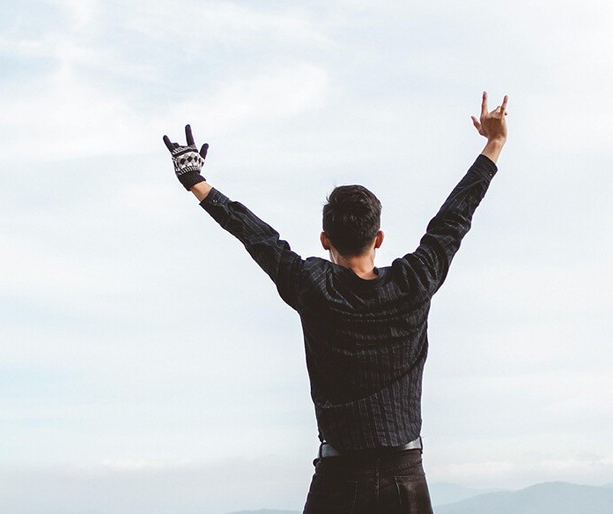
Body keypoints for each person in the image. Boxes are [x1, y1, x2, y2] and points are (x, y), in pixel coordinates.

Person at [165, 91, 509, 514]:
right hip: (406, 475)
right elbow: (453, 219)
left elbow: (258, 238)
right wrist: (493, 145)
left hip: (338, 479)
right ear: (378, 238)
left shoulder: (313, 286)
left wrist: (197, 182)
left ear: (324, 239)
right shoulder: (415, 280)